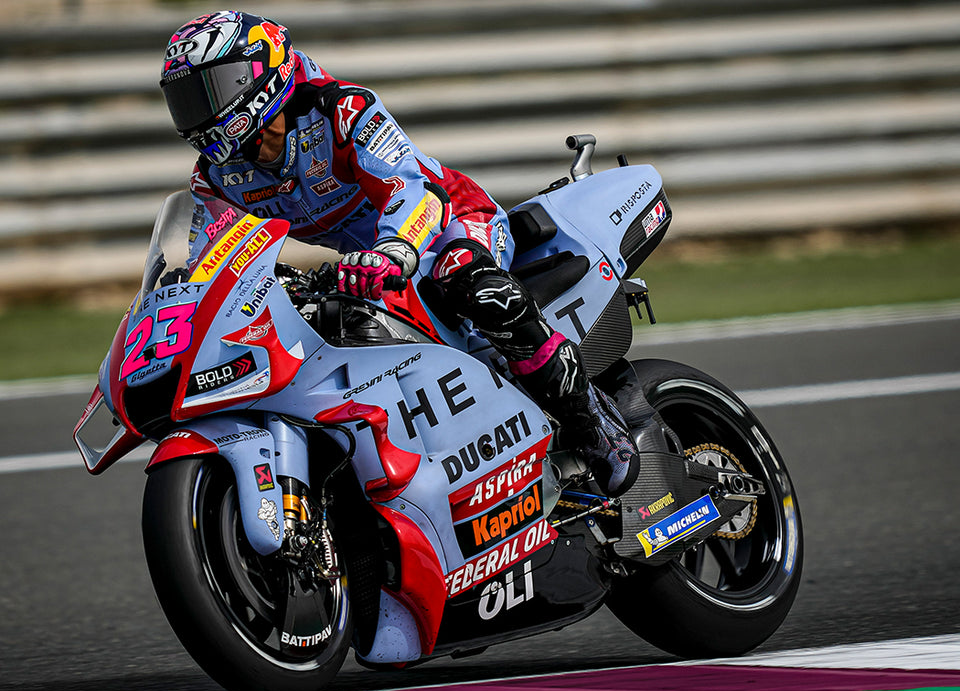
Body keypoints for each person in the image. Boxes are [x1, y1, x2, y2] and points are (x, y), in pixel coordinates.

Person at [159, 11, 638, 495]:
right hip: (369, 263)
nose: (197, 112)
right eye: (185, 99)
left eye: (209, 90)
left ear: (259, 73)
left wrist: (395, 249)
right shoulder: (216, 177)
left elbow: (409, 191)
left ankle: (593, 426)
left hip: (449, 223)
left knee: (474, 285)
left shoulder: (341, 111)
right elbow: (210, 261)